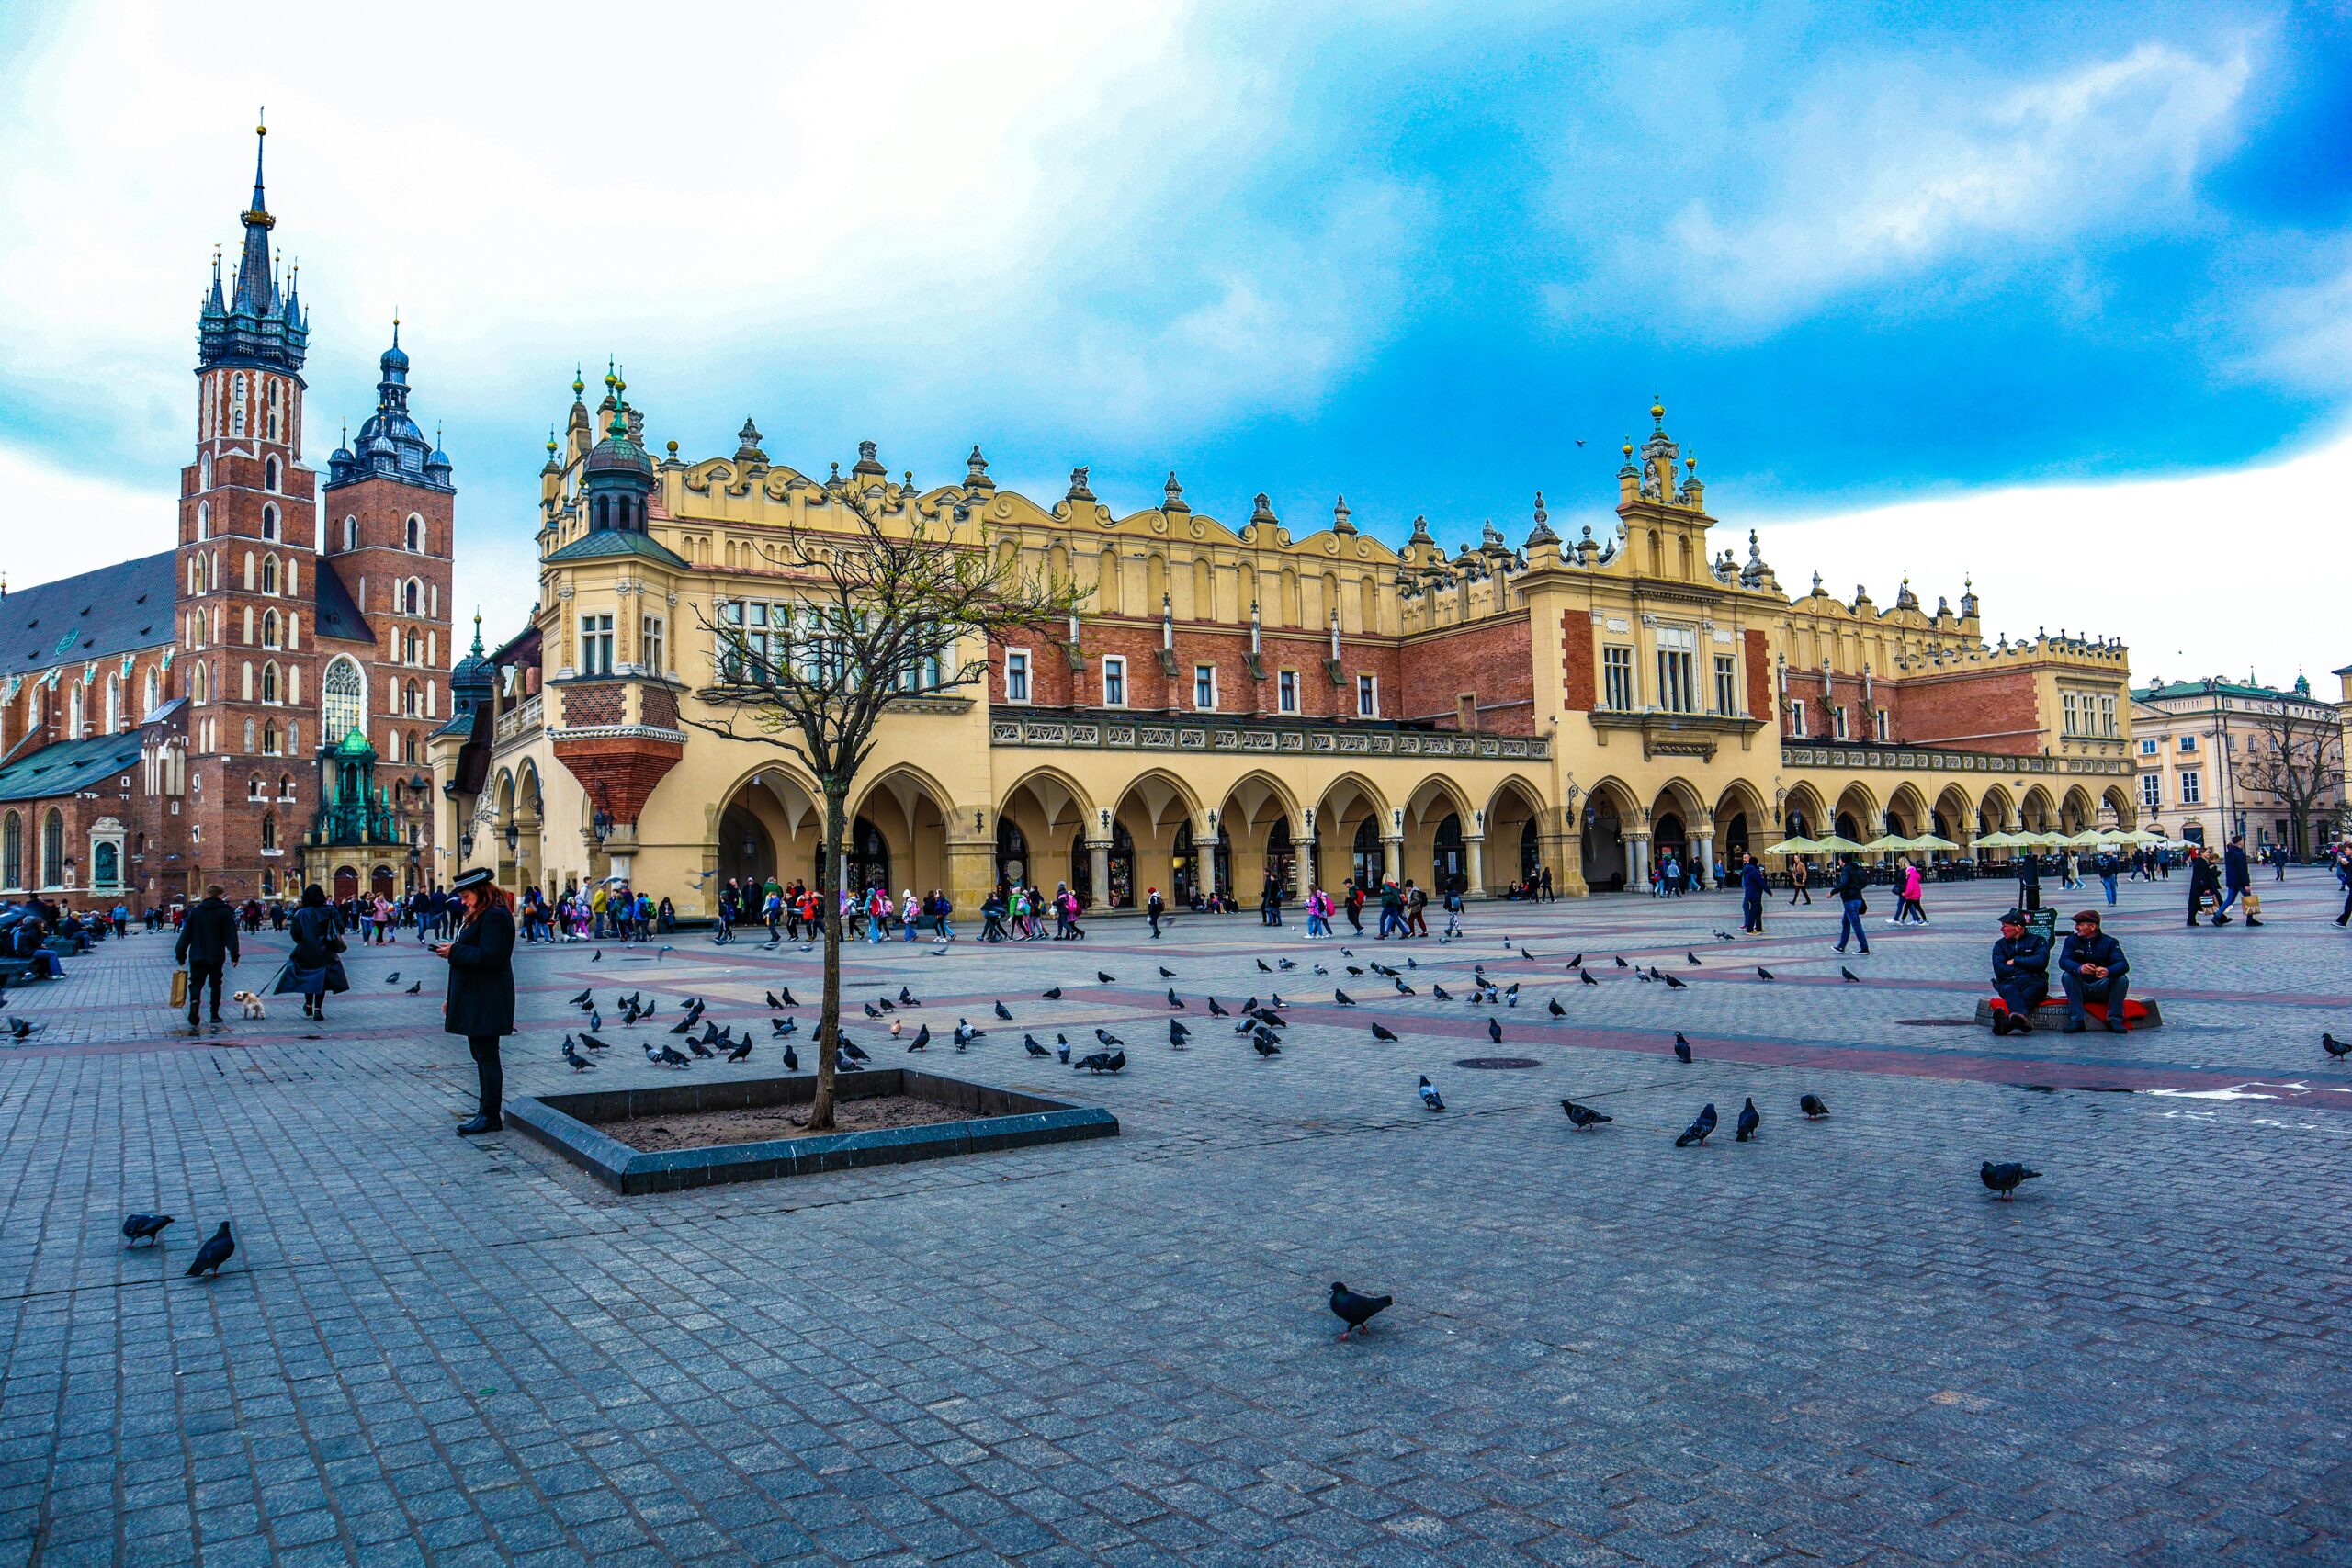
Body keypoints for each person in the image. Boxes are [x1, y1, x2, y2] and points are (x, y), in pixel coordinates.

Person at [435, 866, 516, 1135]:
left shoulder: (495, 917)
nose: (463, 901)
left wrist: (454, 951)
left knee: (487, 1056)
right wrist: (452, 996)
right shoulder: (477, 915)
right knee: (481, 1056)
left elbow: (492, 956)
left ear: (481, 892)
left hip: (488, 997)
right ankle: (486, 1111)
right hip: (474, 995)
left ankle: (490, 1114)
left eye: (466, 895)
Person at [275, 884, 349, 1021]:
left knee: (308, 978)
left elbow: (295, 933)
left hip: (306, 950)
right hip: (326, 950)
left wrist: (304, 942)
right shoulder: (330, 910)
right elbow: (340, 927)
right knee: (321, 980)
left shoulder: (301, 913)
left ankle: (308, 1005)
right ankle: (317, 1010)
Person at [174, 885, 240, 1031]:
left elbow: (186, 935)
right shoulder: (224, 912)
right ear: (219, 896)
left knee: (196, 983)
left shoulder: (196, 912)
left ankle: (195, 1001)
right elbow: (231, 935)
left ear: (208, 894)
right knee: (216, 984)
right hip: (216, 955)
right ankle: (214, 1014)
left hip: (197, 955)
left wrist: (181, 954)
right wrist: (234, 954)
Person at [2057, 908, 2130, 1034]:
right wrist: (2079, 968)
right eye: (2076, 924)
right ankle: (2077, 1020)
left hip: (2102, 986)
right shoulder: (2072, 940)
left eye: (2080, 924)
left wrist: (2107, 971)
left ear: (2092, 927)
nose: (2076, 927)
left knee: (2121, 979)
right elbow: (2064, 961)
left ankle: (2114, 1019)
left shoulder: (2110, 942)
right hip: (2081, 986)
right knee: (2067, 975)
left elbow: (2123, 964)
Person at [1988, 908, 2050, 1036]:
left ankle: (2006, 1023)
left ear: (2018, 927)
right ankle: (2019, 1019)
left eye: (2005, 926)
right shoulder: (2000, 945)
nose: (2002, 930)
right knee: (2010, 989)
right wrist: (2026, 967)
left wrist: (2016, 960)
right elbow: (2000, 969)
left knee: (2034, 989)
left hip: (2033, 980)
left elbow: (2040, 962)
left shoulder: (2038, 941)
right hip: (2009, 981)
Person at [1831, 855, 1870, 955]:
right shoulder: (1856, 868)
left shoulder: (1846, 870)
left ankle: (1864, 948)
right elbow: (1864, 882)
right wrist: (1857, 888)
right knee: (1846, 922)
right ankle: (1841, 946)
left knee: (1856, 924)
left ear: (1843, 861)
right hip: (1858, 898)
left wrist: (1832, 892)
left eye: (1839, 859)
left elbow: (1844, 883)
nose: (1838, 861)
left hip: (1850, 900)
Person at [2216, 836, 2254, 926]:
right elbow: (2243, 870)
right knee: (2248, 899)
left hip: (2232, 881)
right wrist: (2246, 884)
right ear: (2240, 842)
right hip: (2240, 881)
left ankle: (2217, 916)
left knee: (2229, 899)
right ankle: (2250, 919)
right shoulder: (2239, 854)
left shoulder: (2229, 853)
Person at [2186, 846, 2218, 926]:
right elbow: (2204, 876)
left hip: (2197, 885)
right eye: (2207, 852)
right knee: (2197, 903)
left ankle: (2191, 920)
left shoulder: (2199, 861)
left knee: (2196, 904)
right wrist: (2206, 887)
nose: (2208, 854)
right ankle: (2219, 917)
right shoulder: (2202, 862)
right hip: (2200, 886)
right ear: (2202, 853)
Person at [1739, 852, 1767, 934]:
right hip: (1751, 890)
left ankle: (1749, 925)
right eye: (1743, 857)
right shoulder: (1750, 867)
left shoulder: (1750, 867)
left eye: (1745, 857)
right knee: (1756, 908)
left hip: (1751, 891)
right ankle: (1756, 926)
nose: (1743, 859)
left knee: (1748, 906)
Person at [2016, 850, 2041, 914]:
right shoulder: (2030, 860)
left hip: (2032, 885)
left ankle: (2033, 911)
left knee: (2032, 896)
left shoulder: (2029, 860)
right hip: (2031, 885)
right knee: (2032, 896)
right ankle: (2032, 911)